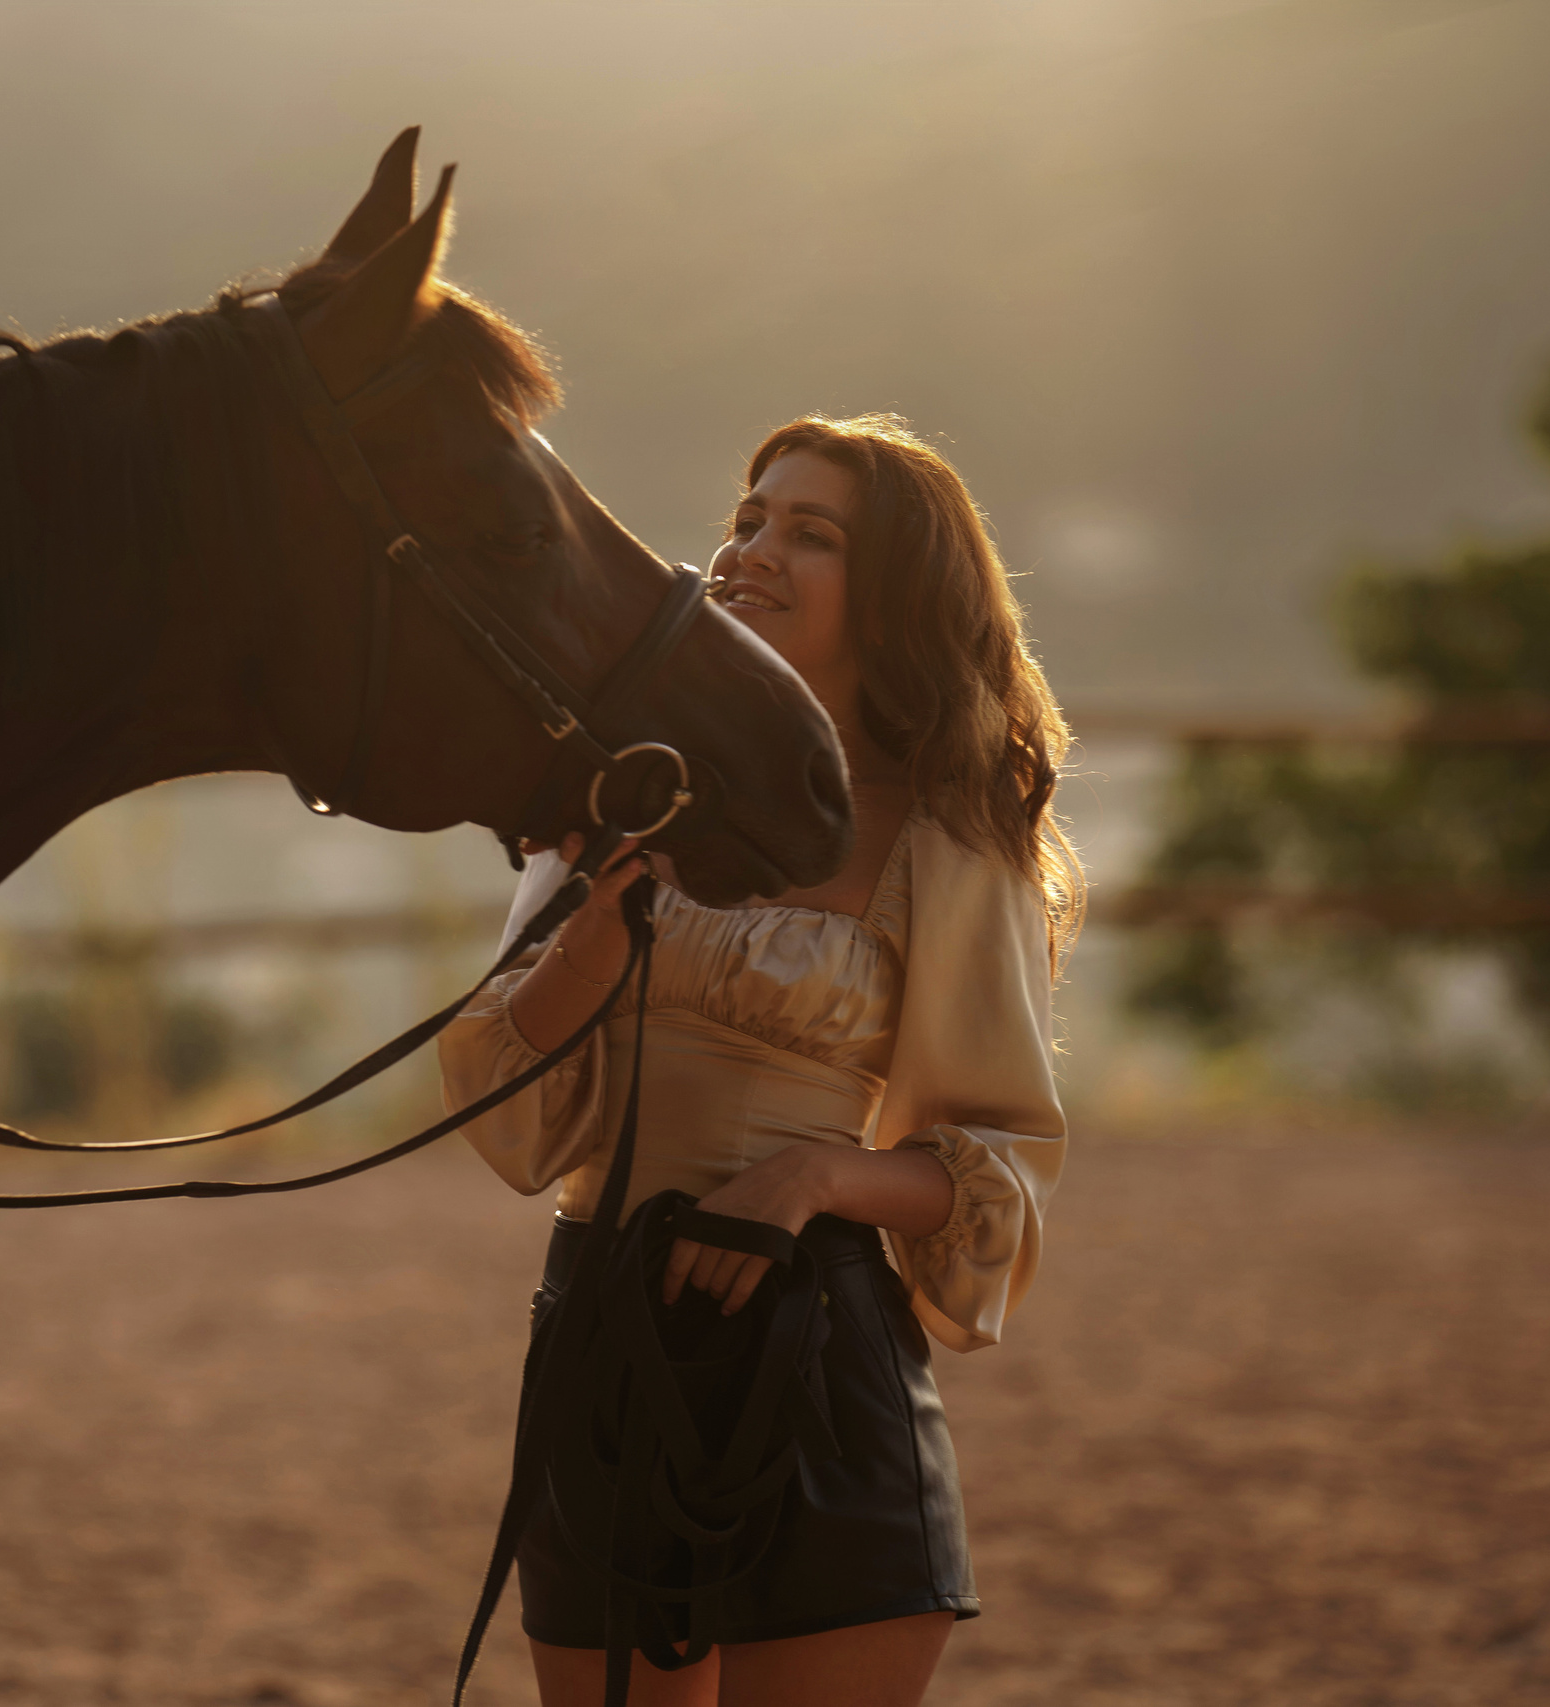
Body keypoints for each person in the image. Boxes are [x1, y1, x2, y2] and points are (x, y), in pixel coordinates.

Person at [438, 414, 1080, 1707]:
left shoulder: (950, 834)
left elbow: (998, 1170)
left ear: (894, 593)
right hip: (599, 1341)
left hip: (811, 1344)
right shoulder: (623, 798)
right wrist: (593, 943)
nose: (756, 549)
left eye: (812, 532)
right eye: (748, 518)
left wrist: (814, 1182)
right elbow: (504, 1102)